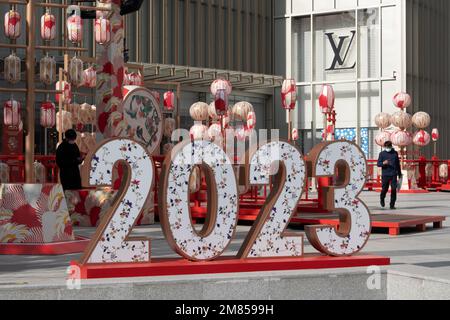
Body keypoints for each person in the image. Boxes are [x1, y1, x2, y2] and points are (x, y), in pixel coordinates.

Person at [377, 141, 402, 210]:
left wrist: (399, 174)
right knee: (385, 189)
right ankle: (382, 198)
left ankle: (392, 204)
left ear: (391, 146)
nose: (388, 148)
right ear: (384, 147)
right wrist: (383, 163)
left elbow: (397, 164)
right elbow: (378, 164)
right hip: (385, 174)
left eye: (389, 147)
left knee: (394, 189)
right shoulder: (382, 154)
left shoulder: (395, 153)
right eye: (386, 147)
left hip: (393, 174)